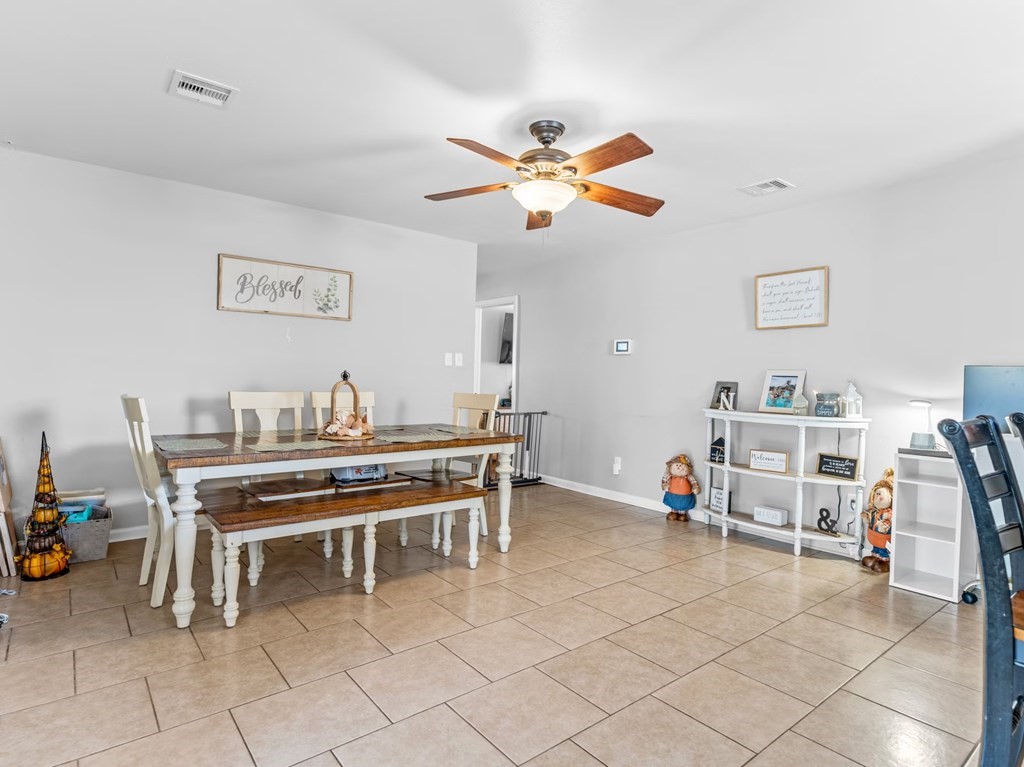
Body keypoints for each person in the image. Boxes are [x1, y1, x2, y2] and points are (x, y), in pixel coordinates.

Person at [861, 468, 894, 572]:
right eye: (876, 495)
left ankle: (884, 561)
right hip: (874, 538)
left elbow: (887, 524)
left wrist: (882, 527)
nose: (877, 497)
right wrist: (866, 519)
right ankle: (874, 558)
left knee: (883, 550)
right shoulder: (874, 511)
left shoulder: (888, 513)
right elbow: (870, 521)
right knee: (876, 548)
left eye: (881, 495)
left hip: (883, 539)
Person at [662, 454, 701, 521]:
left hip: (684, 495)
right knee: (673, 502)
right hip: (672, 493)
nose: (678, 467)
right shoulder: (670, 476)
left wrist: (695, 488)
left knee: (683, 503)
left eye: (681, 465)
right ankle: (673, 512)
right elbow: (664, 480)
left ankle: (682, 514)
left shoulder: (688, 477)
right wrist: (664, 485)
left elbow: (693, 482)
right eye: (676, 465)